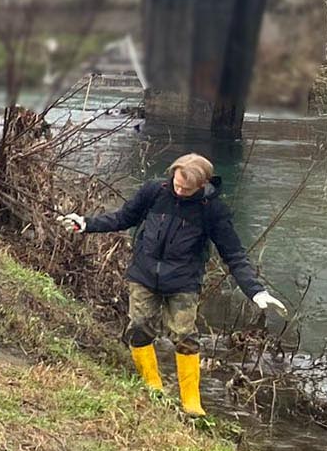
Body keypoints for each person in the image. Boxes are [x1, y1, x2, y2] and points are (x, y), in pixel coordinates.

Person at [58, 153, 285, 416]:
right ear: (172, 176)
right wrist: (86, 224)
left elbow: (233, 255)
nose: (179, 190)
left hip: (183, 282)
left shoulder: (213, 211)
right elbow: (124, 218)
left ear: (202, 185)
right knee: (140, 328)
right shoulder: (155, 192)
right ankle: (152, 387)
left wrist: (256, 292)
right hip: (143, 275)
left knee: (185, 337)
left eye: (186, 189)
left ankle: (191, 403)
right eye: (177, 184)